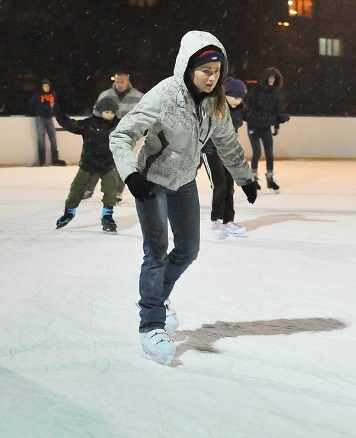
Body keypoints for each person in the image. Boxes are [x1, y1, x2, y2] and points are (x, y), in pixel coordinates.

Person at [109, 30, 257, 366]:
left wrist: (244, 178)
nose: (212, 77)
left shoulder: (215, 103)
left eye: (217, 71)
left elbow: (227, 143)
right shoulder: (164, 95)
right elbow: (122, 136)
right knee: (157, 252)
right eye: (206, 71)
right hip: (151, 182)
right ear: (188, 67)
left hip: (185, 182)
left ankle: (155, 298)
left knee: (188, 250)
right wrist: (131, 175)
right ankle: (151, 325)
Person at [54, 97, 121, 233]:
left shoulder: (117, 125)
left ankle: (107, 216)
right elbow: (72, 125)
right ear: (99, 111)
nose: (110, 115)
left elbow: (134, 128)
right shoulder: (88, 124)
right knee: (76, 189)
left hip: (107, 164)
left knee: (111, 190)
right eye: (107, 112)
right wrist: (61, 116)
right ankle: (69, 212)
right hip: (88, 163)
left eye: (113, 112)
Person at [83, 71, 145, 200]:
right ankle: (88, 189)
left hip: (127, 136)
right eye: (117, 82)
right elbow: (96, 112)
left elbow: (144, 114)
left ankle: (117, 192)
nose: (120, 85)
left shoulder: (138, 96)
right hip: (105, 134)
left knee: (121, 163)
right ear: (114, 81)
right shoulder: (105, 95)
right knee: (99, 159)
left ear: (127, 81)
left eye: (122, 82)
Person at [201, 76, 248, 239]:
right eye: (235, 97)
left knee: (229, 186)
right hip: (210, 151)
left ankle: (228, 221)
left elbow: (254, 117)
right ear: (225, 93)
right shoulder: (213, 106)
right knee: (219, 184)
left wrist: (276, 118)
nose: (238, 100)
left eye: (241, 97)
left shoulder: (239, 109)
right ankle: (216, 220)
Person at [244, 67, 290, 192]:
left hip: (266, 127)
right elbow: (248, 110)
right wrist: (251, 125)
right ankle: (253, 178)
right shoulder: (254, 92)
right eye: (270, 78)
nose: (272, 80)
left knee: (269, 153)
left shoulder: (275, 94)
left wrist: (277, 125)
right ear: (265, 78)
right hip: (253, 127)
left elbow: (277, 111)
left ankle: (270, 179)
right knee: (257, 153)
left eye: (274, 78)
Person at [28, 79, 66, 167]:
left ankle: (55, 159)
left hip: (49, 118)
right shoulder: (37, 95)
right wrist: (33, 113)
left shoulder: (53, 94)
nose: (46, 88)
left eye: (48, 86)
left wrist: (57, 112)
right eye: (44, 86)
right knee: (41, 139)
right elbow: (31, 104)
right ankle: (41, 160)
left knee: (53, 138)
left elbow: (55, 105)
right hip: (40, 117)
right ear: (41, 87)